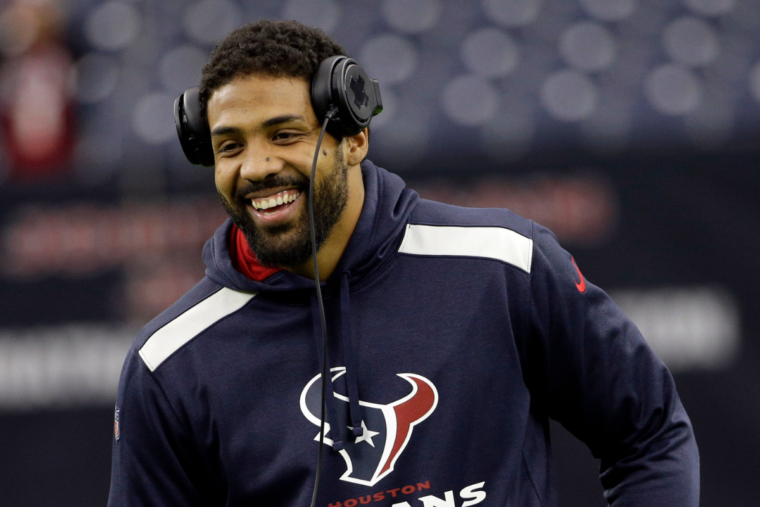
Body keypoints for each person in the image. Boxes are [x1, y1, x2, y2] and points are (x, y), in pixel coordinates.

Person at [108, 20, 699, 507]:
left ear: (355, 138)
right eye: (230, 146)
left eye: (285, 135)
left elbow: (649, 434)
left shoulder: (502, 265)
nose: (257, 166)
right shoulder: (170, 362)